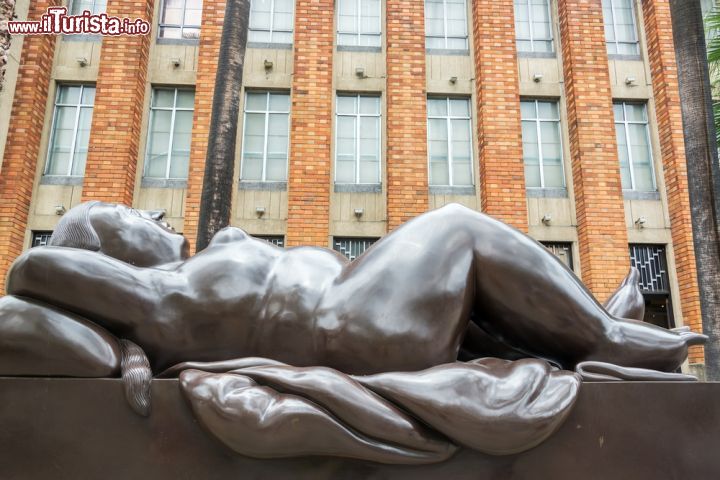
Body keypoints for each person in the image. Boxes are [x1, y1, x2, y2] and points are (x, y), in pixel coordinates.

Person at [1, 201, 705, 376]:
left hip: (364, 313)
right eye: (125, 216)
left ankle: (587, 342)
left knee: (465, 272)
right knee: (456, 226)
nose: (150, 214)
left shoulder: (168, 295)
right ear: (99, 258)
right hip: (355, 329)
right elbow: (27, 273)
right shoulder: (158, 298)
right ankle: (613, 338)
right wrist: (120, 333)